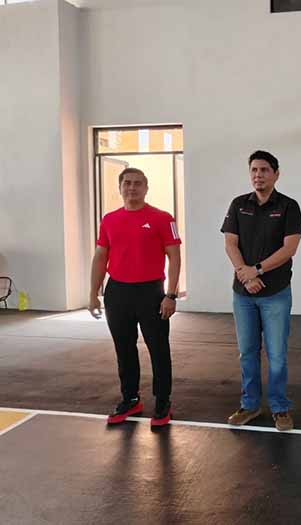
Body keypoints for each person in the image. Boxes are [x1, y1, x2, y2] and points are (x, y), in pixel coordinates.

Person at [89, 167, 182, 427]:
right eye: (127, 183)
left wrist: (171, 295)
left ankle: (162, 401)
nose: (132, 188)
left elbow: (174, 257)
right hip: (117, 292)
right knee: (124, 349)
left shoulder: (162, 218)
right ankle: (130, 399)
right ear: (120, 188)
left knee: (158, 348)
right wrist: (93, 294)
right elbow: (100, 257)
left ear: (146, 188)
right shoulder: (109, 219)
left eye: (137, 183)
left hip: (151, 293)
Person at [221, 150, 301, 432]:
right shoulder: (238, 204)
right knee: (247, 353)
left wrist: (256, 270)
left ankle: (280, 407)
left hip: (275, 293)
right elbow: (230, 243)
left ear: (276, 174)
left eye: (264, 170)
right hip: (243, 294)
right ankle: (250, 405)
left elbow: (289, 248)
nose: (258, 175)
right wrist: (245, 275)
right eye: (254, 170)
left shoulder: (289, 206)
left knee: (277, 355)